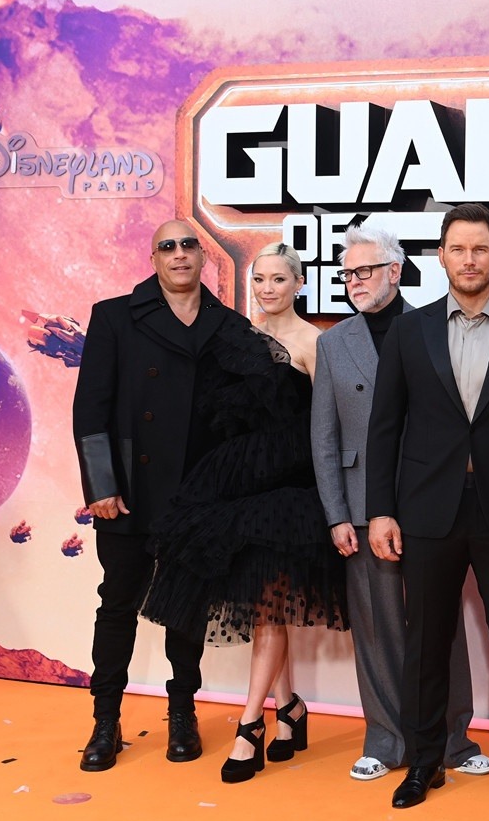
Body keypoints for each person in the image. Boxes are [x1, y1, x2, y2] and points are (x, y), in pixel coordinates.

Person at [367, 203, 489, 810]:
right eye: (458, 249)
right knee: (426, 642)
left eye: (480, 249)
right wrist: (380, 509)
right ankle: (424, 762)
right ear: (441, 257)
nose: (469, 260)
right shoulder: (409, 331)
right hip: (427, 511)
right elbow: (384, 428)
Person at [139, 242, 348, 783]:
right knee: (263, 607)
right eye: (259, 279)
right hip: (232, 483)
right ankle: (290, 709)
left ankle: (250, 724)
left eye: (279, 279)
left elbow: (327, 425)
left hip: (287, 491)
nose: (267, 289)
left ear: (299, 284)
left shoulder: (314, 343)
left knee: (268, 608)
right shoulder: (234, 337)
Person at [311, 219, 489, 783]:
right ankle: (386, 741)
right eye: (347, 274)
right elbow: (325, 437)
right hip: (362, 504)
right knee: (378, 626)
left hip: (433, 499)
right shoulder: (333, 343)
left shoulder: (435, 326)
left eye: (365, 271)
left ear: (395, 271)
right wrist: (337, 514)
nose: (355, 282)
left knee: (442, 624)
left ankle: (454, 740)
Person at [72, 218, 243, 771]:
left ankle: (182, 711)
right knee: (118, 604)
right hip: (130, 494)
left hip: (197, 495)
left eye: (188, 244)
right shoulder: (114, 316)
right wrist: (101, 485)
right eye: (167, 246)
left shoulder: (227, 324)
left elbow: (237, 419)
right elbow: (90, 409)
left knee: (187, 608)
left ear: (202, 256)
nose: (179, 253)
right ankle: (105, 720)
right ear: (154, 259)